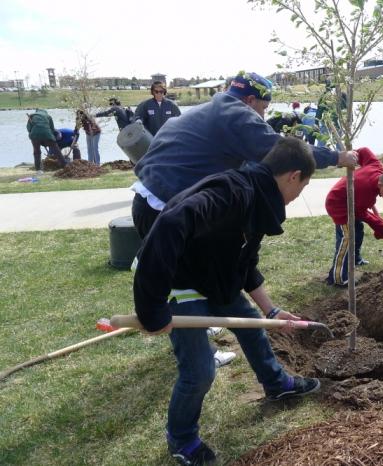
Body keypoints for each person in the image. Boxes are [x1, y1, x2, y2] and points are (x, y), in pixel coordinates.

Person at [133, 138, 320, 465]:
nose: (296, 197)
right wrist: (151, 308)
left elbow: (244, 262)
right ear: (293, 176)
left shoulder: (258, 200)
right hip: (185, 279)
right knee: (199, 371)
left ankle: (277, 385)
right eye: (302, 188)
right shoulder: (233, 192)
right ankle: (182, 437)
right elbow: (172, 221)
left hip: (216, 278)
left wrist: (271, 310)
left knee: (252, 329)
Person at [131, 71, 357, 240]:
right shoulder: (235, 115)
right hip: (162, 207)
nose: (263, 114)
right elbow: (286, 151)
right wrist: (337, 157)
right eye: (264, 108)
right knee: (192, 285)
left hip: (148, 199)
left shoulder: (212, 110)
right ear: (250, 101)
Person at [325, 147, 383, 286]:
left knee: (358, 229)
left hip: (352, 200)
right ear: (381, 185)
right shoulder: (366, 191)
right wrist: (378, 225)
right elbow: (361, 213)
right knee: (347, 238)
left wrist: (354, 153)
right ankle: (338, 278)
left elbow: (364, 151)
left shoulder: (377, 166)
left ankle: (355, 259)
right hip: (338, 204)